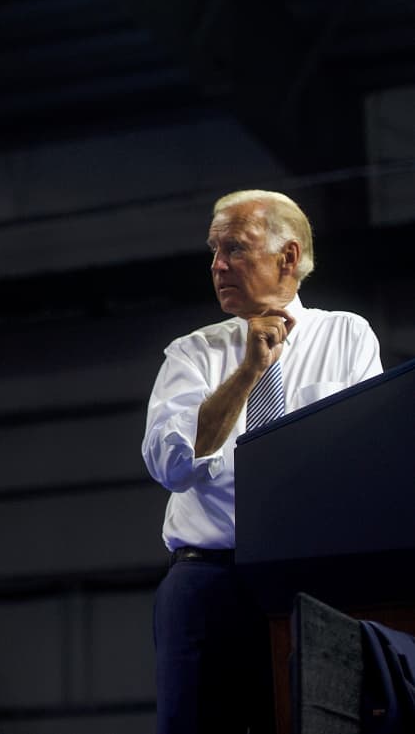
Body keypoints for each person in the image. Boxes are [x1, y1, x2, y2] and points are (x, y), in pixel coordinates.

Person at [142, 189, 382, 733]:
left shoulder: (346, 335)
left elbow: (360, 461)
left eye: (234, 248)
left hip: (316, 579)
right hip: (209, 581)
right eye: (213, 251)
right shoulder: (193, 353)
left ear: (288, 257)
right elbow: (170, 466)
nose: (217, 265)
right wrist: (248, 371)